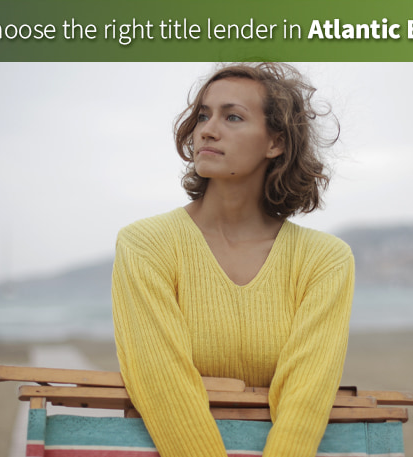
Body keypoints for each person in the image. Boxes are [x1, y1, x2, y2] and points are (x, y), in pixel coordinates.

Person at [111, 62, 354, 457]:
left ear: (275, 143)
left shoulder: (324, 260)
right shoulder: (145, 245)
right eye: (203, 115)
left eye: (233, 117)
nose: (206, 129)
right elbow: (162, 384)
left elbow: (306, 396)